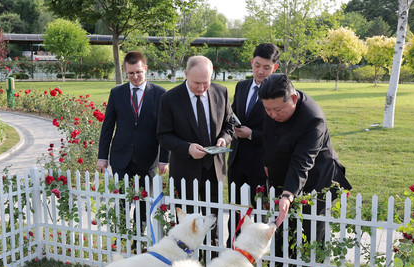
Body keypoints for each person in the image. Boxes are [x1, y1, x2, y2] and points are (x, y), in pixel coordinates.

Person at [258, 73, 351, 255]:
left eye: (277, 110)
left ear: (293, 98)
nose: (272, 115)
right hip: (286, 172)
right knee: (282, 230)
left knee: (310, 232)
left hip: (317, 178)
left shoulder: (313, 119)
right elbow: (267, 136)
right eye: (268, 110)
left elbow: (303, 161)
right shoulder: (272, 105)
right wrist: (267, 162)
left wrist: (288, 194)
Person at [157, 55, 234, 252]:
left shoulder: (221, 91)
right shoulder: (169, 99)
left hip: (214, 168)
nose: (201, 88)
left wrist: (224, 138)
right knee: (187, 222)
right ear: (185, 74)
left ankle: (212, 259)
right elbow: (164, 135)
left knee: (213, 219)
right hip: (185, 169)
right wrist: (187, 148)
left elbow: (229, 124)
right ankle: (188, 261)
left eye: (205, 82)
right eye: (196, 83)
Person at [97, 51, 168, 229]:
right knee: (122, 202)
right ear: (125, 71)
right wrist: (102, 156)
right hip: (121, 158)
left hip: (148, 159)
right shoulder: (116, 93)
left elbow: (166, 129)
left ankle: (139, 242)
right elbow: (108, 127)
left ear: (145, 69)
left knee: (144, 204)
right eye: (131, 73)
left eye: (138, 72)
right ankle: (122, 239)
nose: (135, 77)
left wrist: (164, 159)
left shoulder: (160, 94)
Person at [226, 43, 280, 247]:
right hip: (237, 160)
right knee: (236, 210)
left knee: (259, 214)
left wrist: (252, 134)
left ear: (275, 68)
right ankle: (232, 248)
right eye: (257, 65)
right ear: (252, 62)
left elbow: (279, 131)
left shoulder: (278, 91)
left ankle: (256, 254)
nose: (260, 71)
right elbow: (232, 113)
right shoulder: (241, 86)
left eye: (266, 67)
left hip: (261, 162)